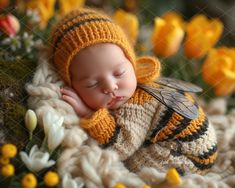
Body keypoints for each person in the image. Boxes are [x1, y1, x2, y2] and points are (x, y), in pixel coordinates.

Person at [49, 7, 217, 175]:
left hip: (190, 158)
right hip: (191, 145)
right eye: (92, 84)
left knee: (131, 165)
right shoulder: (129, 88)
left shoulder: (137, 104)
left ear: (132, 62)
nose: (110, 87)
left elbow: (121, 147)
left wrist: (88, 113)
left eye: (119, 73)